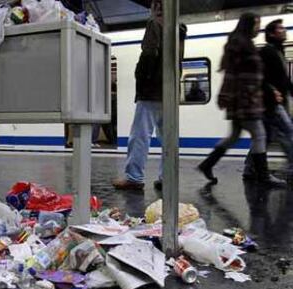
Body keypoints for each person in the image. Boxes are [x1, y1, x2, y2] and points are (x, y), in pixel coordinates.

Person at [197, 13, 286, 187]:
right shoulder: (240, 44)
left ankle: (207, 165)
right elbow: (232, 73)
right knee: (260, 135)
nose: (258, 28)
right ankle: (264, 176)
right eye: (256, 24)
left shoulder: (242, 43)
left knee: (233, 137)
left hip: (243, 99)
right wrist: (228, 96)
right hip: (245, 100)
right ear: (248, 25)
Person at [112, 0, 187, 191]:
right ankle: (167, 177)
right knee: (169, 137)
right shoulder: (179, 29)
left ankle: (134, 177)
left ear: (156, 7)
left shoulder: (154, 24)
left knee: (140, 135)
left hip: (151, 90)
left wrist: (141, 76)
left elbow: (149, 53)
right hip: (169, 92)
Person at [243, 19, 293, 180]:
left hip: (274, 103)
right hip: (270, 103)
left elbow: (284, 79)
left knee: (264, 137)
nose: (284, 30)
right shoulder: (266, 52)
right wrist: (272, 91)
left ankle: (250, 168)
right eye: (280, 28)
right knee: (289, 131)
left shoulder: (278, 52)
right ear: (271, 34)